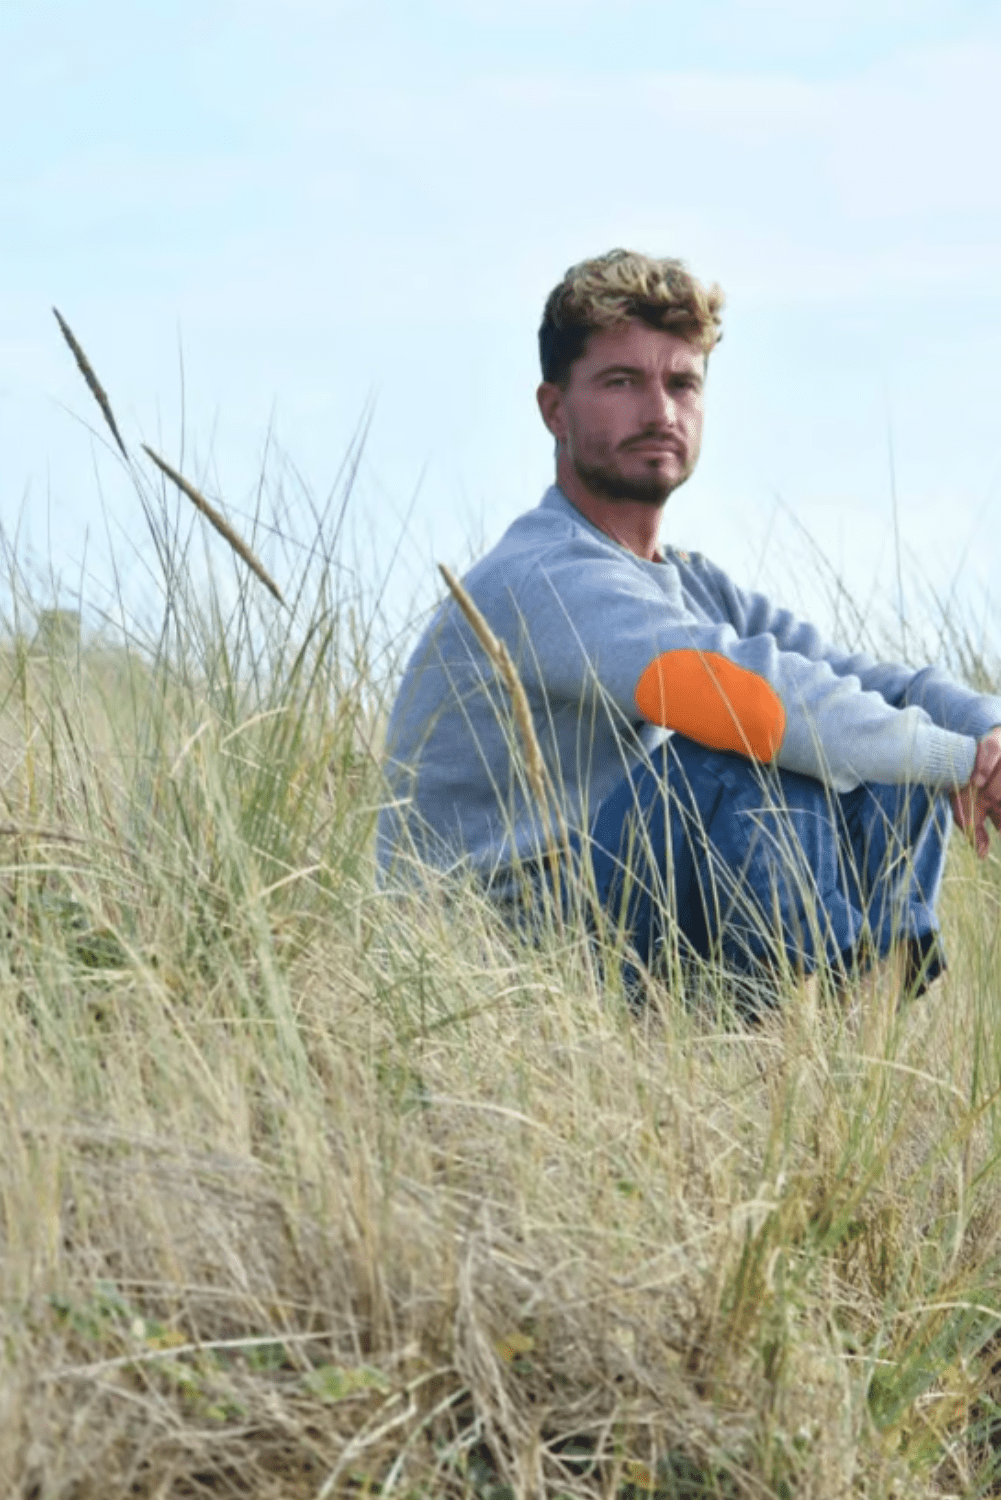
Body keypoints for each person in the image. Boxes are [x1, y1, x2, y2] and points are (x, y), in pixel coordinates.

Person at [378, 249, 1001, 1003]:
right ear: (553, 409)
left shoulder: (688, 581)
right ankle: (785, 1045)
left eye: (681, 383)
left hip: (614, 925)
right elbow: (754, 703)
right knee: (745, 748)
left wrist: (984, 736)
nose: (658, 412)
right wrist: (958, 760)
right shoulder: (544, 577)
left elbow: (871, 683)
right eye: (621, 382)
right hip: (503, 964)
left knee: (878, 740)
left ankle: (855, 1040)